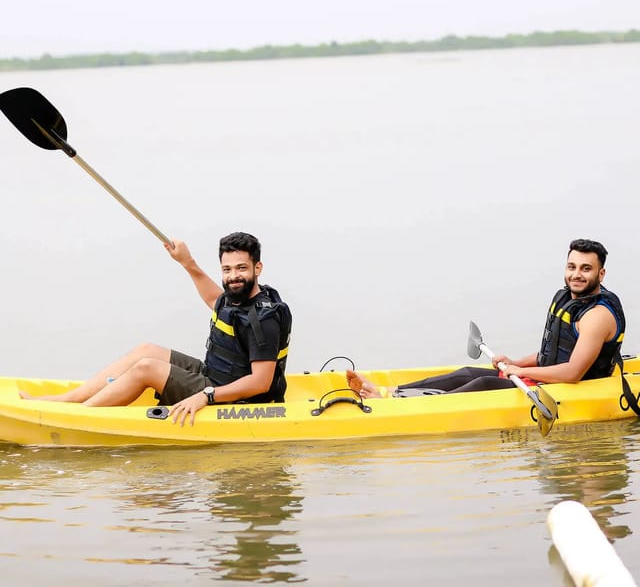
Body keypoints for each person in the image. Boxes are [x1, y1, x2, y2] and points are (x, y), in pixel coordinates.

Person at [20, 232, 292, 425]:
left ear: (258, 268)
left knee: (146, 368)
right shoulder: (239, 296)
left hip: (237, 397)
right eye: (227, 269)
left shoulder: (263, 319)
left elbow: (261, 382)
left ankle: (72, 420)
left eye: (241, 268)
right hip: (218, 374)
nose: (233, 277)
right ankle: (67, 400)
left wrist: (205, 396)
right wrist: (187, 262)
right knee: (146, 351)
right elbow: (214, 300)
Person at [347, 239, 625, 399]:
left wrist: (521, 372)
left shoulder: (597, 316)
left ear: (600, 274)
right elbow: (553, 353)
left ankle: (393, 406)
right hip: (546, 379)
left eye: (586, 269)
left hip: (576, 390)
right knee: (467, 373)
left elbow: (572, 372)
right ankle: (389, 392)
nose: (577, 274)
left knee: (483, 385)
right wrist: (516, 363)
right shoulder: (567, 298)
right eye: (572, 266)